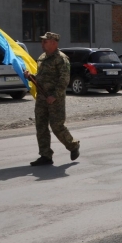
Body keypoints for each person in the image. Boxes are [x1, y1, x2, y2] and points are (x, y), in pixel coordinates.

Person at [27, 32, 79, 166]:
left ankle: (73, 146)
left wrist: (54, 96)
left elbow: (64, 80)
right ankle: (45, 155)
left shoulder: (61, 59)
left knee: (57, 126)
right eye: (42, 41)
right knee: (41, 126)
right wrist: (31, 76)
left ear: (54, 43)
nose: (42, 44)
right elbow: (40, 76)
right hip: (42, 98)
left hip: (55, 99)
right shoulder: (42, 57)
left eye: (45, 41)